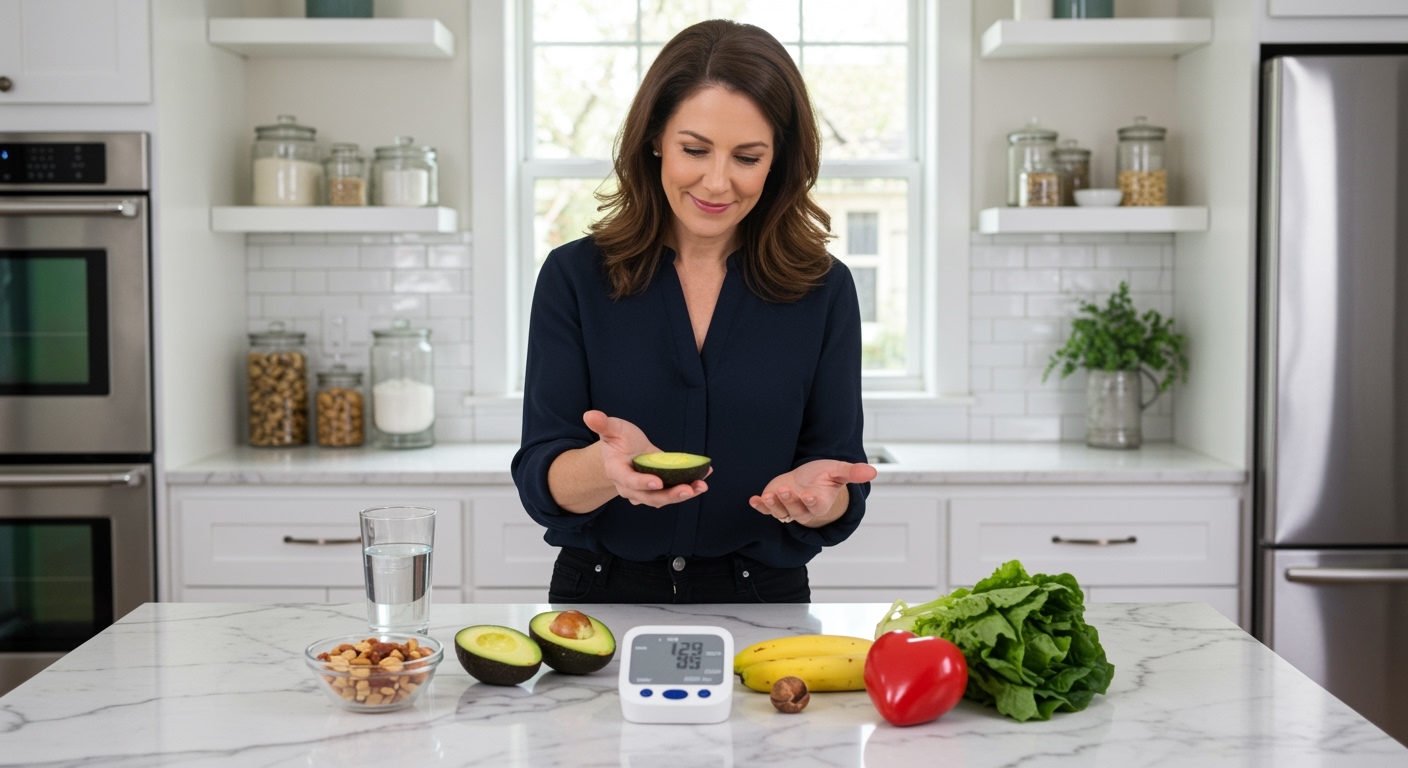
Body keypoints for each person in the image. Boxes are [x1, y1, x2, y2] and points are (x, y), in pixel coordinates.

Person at [511, 19, 876, 604]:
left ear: (778, 159)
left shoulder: (825, 289)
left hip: (764, 601)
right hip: (600, 598)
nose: (717, 181)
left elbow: (837, 482)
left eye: (747, 157)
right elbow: (540, 481)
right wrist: (606, 469)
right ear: (655, 137)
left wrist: (818, 499)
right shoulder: (573, 277)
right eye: (695, 149)